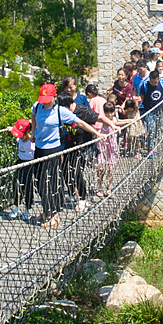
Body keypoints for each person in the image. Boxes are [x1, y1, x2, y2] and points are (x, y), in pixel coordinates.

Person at [30, 84, 100, 228]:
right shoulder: (37, 107)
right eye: (44, 99)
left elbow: (80, 122)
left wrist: (98, 134)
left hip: (53, 150)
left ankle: (54, 216)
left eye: (48, 100)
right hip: (39, 149)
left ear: (55, 98)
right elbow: (34, 117)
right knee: (38, 181)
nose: (45, 102)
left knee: (51, 182)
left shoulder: (60, 112)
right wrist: (32, 134)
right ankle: (46, 210)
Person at [57, 92, 119, 211]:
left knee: (76, 171)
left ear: (69, 105)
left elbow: (99, 117)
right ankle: (71, 193)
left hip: (84, 146)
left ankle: (83, 198)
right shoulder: (59, 112)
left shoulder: (82, 110)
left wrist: (112, 125)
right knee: (65, 169)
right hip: (69, 145)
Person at [139, 69, 163, 154]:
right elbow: (141, 97)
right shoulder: (145, 85)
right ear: (150, 79)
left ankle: (155, 147)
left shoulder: (161, 83)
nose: (154, 84)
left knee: (158, 129)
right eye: (152, 82)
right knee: (151, 129)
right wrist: (137, 100)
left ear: (158, 79)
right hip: (149, 111)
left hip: (159, 111)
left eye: (155, 82)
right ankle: (150, 150)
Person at [8, 119, 35, 219]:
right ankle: (16, 207)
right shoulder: (19, 138)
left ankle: (27, 210)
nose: (19, 137)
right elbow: (15, 132)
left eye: (21, 135)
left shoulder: (32, 142)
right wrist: (11, 129)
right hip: (20, 163)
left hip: (30, 165)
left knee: (28, 187)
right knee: (18, 184)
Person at [95, 102, 119, 197]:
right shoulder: (103, 119)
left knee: (110, 168)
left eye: (111, 112)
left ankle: (109, 188)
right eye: (107, 112)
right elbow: (112, 123)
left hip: (111, 147)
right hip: (102, 146)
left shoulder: (114, 119)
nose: (109, 114)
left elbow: (117, 122)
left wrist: (130, 120)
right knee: (100, 167)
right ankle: (100, 187)